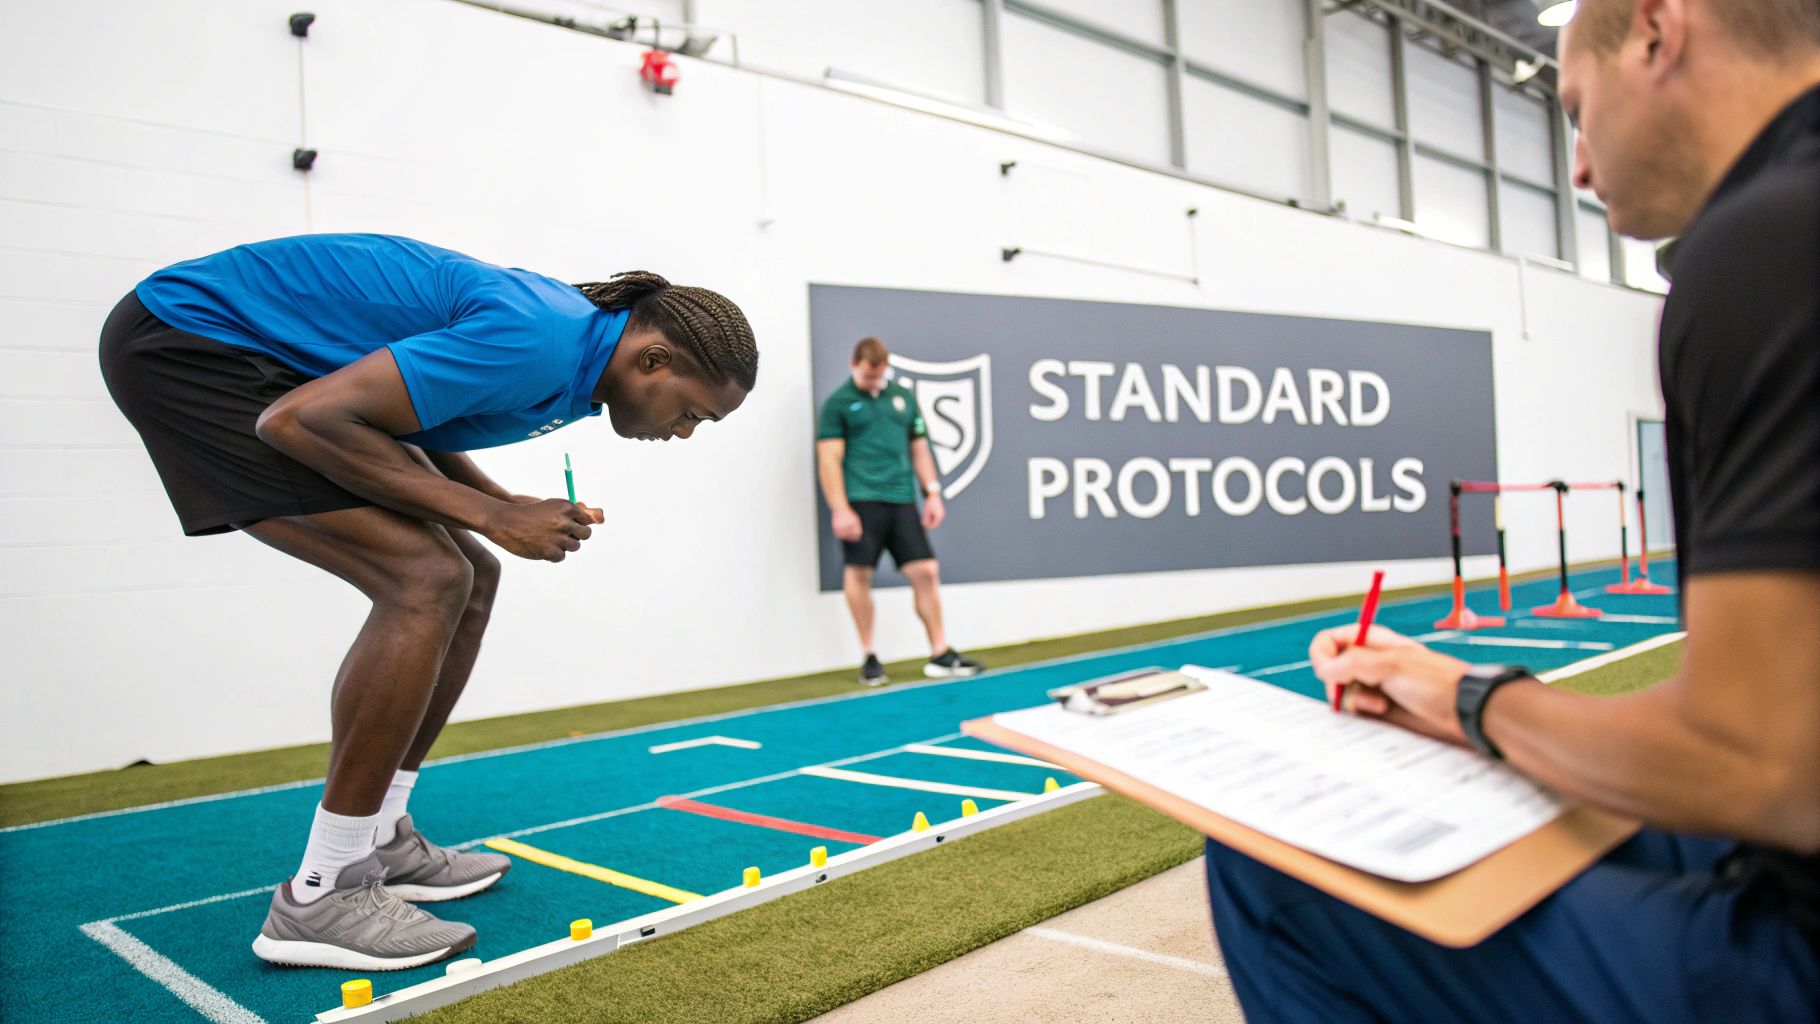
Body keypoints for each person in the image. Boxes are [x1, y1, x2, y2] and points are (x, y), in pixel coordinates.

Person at [1201, 1, 1820, 1019]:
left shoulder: (1762, 247)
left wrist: (1474, 703)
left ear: (1656, 33)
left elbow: (1758, 763)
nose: (1575, 167)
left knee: (1269, 864)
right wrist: (1472, 707)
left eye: (1575, 110)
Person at [98, 233, 758, 970]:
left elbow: (408, 409)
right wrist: (494, 514)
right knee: (425, 577)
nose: (685, 432)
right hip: (191, 344)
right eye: (694, 413)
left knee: (472, 573)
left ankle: (380, 836)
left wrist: (498, 504)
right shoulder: (540, 339)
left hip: (258, 361)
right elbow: (299, 420)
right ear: (654, 361)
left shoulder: (578, 358)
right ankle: (323, 891)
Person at [815, 338, 984, 686]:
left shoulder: (902, 398)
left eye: (878, 375)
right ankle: (869, 656)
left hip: (902, 498)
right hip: (861, 500)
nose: (873, 381)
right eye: (867, 375)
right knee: (859, 573)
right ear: (854, 365)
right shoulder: (839, 403)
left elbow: (919, 447)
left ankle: (940, 652)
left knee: (926, 570)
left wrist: (932, 493)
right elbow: (829, 458)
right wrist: (840, 508)